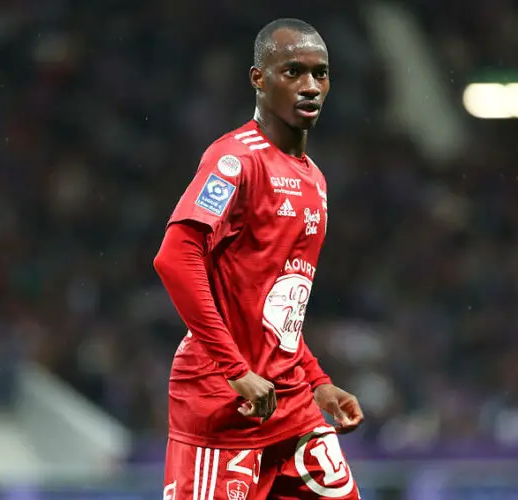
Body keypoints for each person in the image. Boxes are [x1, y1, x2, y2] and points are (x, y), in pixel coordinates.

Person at [154, 18, 364, 500]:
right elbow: (175, 256)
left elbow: (275, 306)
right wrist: (235, 370)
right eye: (293, 72)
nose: (310, 86)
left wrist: (317, 382)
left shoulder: (315, 179)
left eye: (321, 73)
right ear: (258, 78)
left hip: (290, 402)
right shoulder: (234, 160)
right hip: (224, 403)